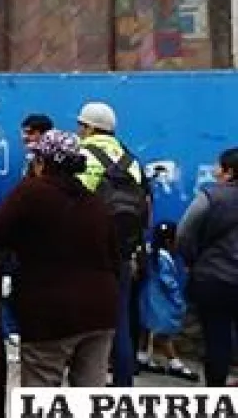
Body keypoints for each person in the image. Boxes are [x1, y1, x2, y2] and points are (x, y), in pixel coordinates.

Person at [0, 130, 119, 387]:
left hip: (50, 312)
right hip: (101, 310)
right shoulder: (95, 202)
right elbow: (114, 254)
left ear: (42, 162)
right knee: (89, 393)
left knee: (41, 389)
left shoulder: (31, 192)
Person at [76, 101, 149, 388]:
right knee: (120, 320)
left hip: (86, 252)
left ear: (89, 128)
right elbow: (145, 205)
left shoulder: (82, 155)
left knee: (79, 324)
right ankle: (123, 386)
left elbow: (72, 199)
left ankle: (82, 388)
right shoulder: (131, 161)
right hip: (122, 250)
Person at [177, 147, 238, 387]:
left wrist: (193, 261)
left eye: (218, 166)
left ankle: (215, 390)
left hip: (214, 279)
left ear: (229, 172)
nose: (214, 170)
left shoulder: (210, 196)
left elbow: (184, 234)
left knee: (216, 338)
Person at [137, 222, 197, 381]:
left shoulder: (150, 253)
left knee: (146, 328)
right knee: (164, 334)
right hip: (160, 302)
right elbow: (168, 282)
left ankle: (142, 356)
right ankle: (174, 363)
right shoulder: (164, 258)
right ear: (170, 241)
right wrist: (178, 300)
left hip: (147, 298)